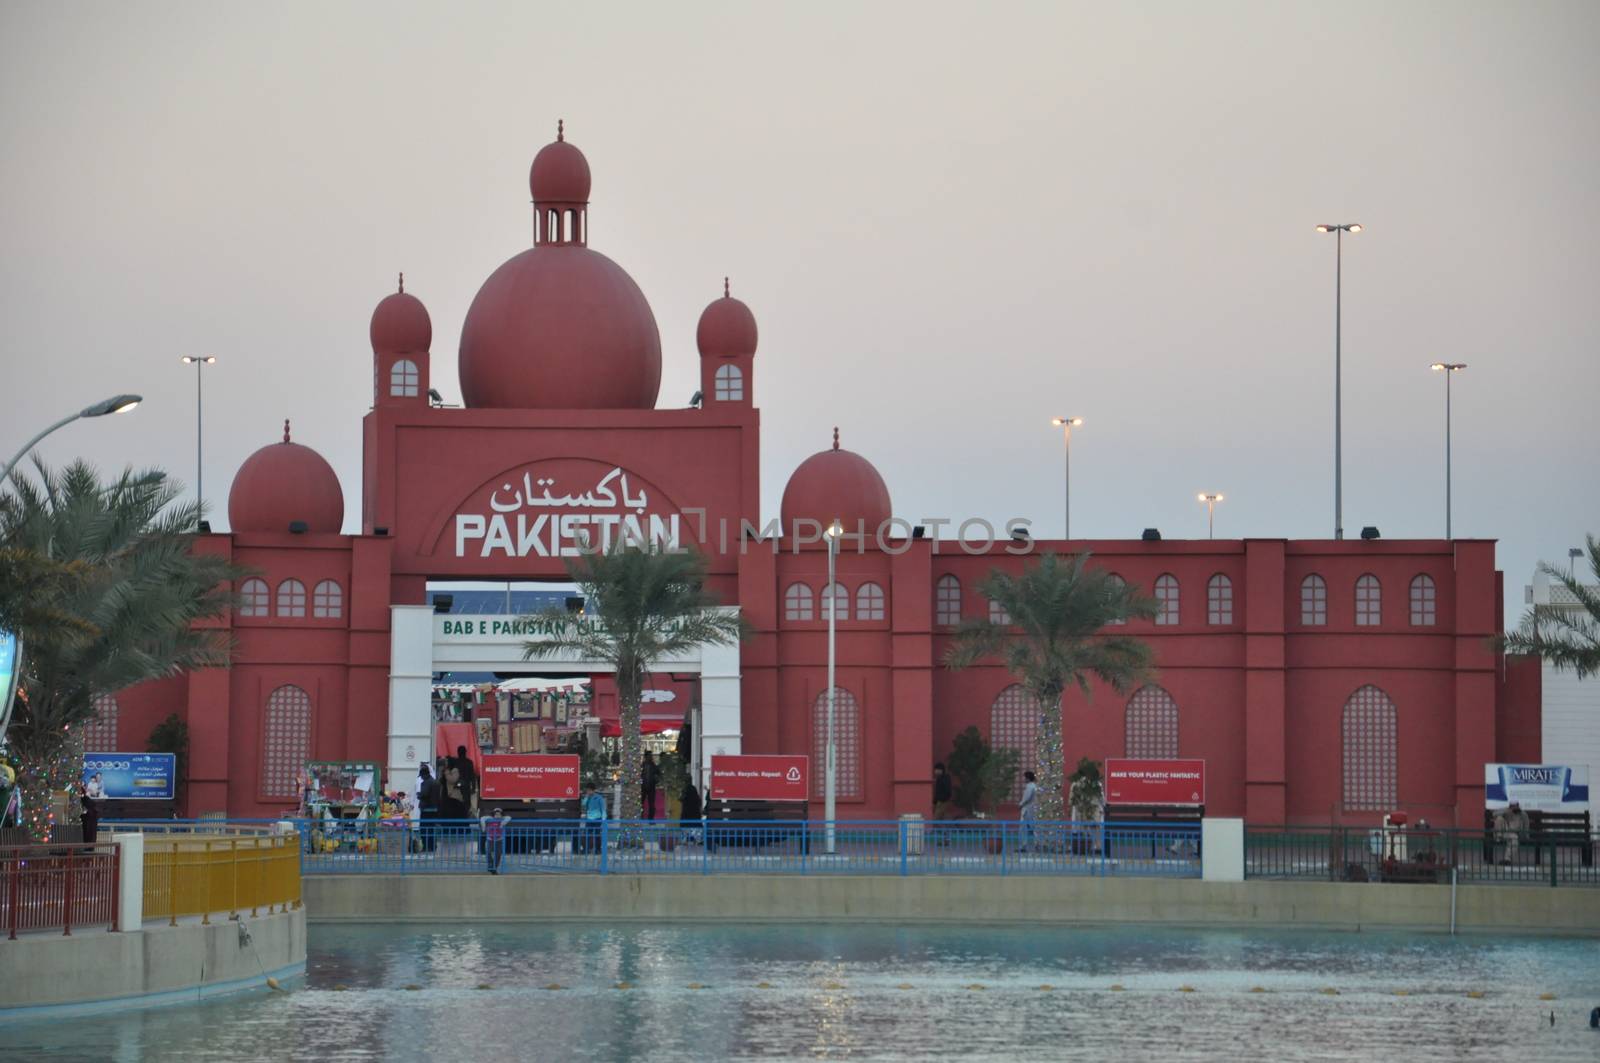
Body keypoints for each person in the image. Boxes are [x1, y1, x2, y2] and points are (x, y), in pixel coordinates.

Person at [480, 806, 511, 874]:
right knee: (488, 852)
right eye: (496, 814)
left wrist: (503, 823)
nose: (497, 816)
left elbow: (509, 817)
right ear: (493, 814)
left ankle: (494, 868)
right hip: (490, 838)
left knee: (498, 854)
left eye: (499, 814)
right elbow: (482, 818)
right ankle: (490, 865)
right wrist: (483, 826)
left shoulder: (502, 819)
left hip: (499, 839)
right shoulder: (490, 819)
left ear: (501, 815)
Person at [416, 763, 439, 852]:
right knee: (432, 829)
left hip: (426, 809)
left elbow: (425, 794)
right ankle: (433, 846)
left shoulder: (426, 782)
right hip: (434, 809)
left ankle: (426, 847)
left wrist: (419, 795)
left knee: (424, 829)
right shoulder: (435, 782)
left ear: (424, 774)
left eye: (421, 776)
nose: (421, 778)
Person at [581, 783, 607, 854]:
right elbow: (583, 804)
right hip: (589, 819)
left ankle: (598, 849)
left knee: (597, 834)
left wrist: (604, 819)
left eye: (589, 790)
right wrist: (586, 797)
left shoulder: (599, 798)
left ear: (593, 790)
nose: (588, 791)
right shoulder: (588, 798)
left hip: (597, 819)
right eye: (587, 790)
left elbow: (603, 809)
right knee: (587, 834)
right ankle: (586, 849)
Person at [1018, 770, 1039, 852]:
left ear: (1028, 778)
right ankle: (1037, 844)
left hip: (1027, 809)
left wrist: (1020, 804)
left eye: (1025, 777)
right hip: (1033, 809)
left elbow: (1026, 798)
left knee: (1023, 828)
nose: (1024, 779)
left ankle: (1023, 846)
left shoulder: (1030, 787)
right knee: (1034, 828)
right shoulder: (1035, 786)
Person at [679, 776, 703, 845]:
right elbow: (699, 802)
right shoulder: (694, 789)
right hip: (695, 817)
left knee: (684, 826)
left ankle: (685, 840)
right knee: (696, 828)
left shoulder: (684, 790)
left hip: (686, 816)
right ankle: (698, 840)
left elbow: (681, 799)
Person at [641, 751, 660, 820]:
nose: (650, 757)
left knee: (651, 804)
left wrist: (656, 781)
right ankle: (642, 817)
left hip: (650, 786)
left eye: (651, 756)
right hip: (643, 787)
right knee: (642, 803)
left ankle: (650, 818)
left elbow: (658, 774)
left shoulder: (653, 765)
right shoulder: (642, 765)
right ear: (645, 757)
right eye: (649, 756)